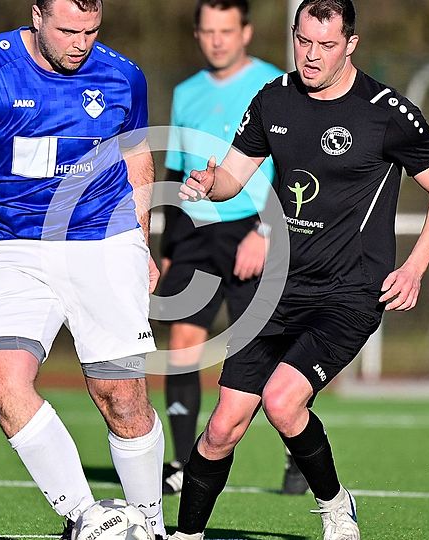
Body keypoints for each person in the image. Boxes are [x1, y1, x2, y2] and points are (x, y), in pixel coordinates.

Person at [171, 1, 429, 539]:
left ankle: (335, 507)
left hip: (348, 294)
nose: (311, 55)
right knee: (222, 428)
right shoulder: (274, 98)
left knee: (282, 402)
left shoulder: (385, 112)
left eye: (326, 45)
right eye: (303, 41)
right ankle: (185, 535)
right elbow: (233, 177)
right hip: (277, 289)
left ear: (350, 44)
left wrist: (414, 267)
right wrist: (208, 184)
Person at [0, 1, 166, 538]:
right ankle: (88, 519)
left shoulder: (123, 75)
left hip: (103, 241)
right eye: (68, 29)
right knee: (1, 380)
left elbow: (137, 158)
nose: (81, 43)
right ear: (36, 14)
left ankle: (149, 524)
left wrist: (141, 243)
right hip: (15, 246)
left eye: (91, 31)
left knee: (120, 398)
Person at [157, 0, 308, 497]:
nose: (217, 40)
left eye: (226, 30)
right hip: (195, 235)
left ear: (245, 32)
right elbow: (176, 173)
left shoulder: (277, 85)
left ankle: (297, 451)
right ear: (197, 35)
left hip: (254, 230)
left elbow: (294, 169)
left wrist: (265, 232)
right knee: (183, 346)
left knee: (263, 353)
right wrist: (169, 248)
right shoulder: (185, 93)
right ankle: (182, 462)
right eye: (208, 31)